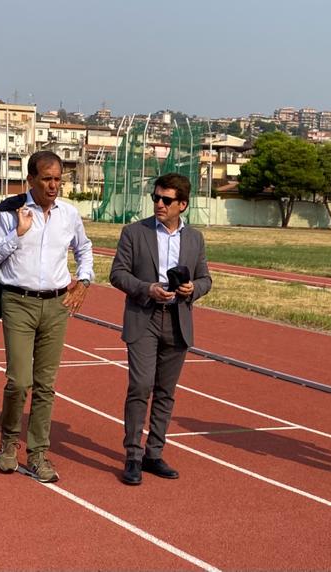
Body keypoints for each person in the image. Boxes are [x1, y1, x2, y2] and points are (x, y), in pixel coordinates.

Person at [0, 150, 94, 483]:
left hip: (57, 306)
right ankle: (8, 440)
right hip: (18, 302)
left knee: (46, 385)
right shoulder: (9, 213)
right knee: (19, 381)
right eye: (47, 178)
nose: (53, 185)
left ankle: (38, 453)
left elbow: (83, 248)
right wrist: (17, 234)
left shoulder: (69, 214)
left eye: (58, 179)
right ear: (30, 179)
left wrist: (84, 279)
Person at [110, 173, 212, 485]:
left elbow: (207, 278)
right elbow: (117, 274)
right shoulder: (134, 232)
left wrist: (193, 288)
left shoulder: (194, 238)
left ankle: (154, 452)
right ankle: (133, 454)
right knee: (141, 386)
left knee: (166, 392)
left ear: (182, 204)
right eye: (156, 197)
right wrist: (147, 288)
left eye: (166, 200)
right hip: (144, 317)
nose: (159, 204)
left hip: (178, 319)